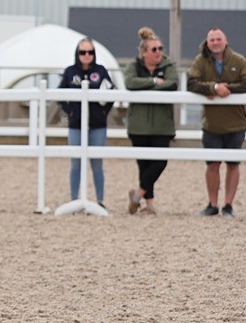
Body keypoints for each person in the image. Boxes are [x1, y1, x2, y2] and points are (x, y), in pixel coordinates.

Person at [186, 27, 246, 217]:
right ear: (207, 42)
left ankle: (228, 204)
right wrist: (213, 87)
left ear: (226, 41)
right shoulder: (200, 61)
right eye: (212, 40)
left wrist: (226, 89)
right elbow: (191, 83)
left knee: (233, 164)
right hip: (211, 124)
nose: (215, 43)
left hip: (236, 123)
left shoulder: (239, 61)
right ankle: (212, 204)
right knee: (212, 164)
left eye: (218, 39)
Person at [123, 27, 177, 215]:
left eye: (160, 48)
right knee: (144, 165)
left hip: (162, 126)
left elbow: (172, 83)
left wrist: (144, 87)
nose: (158, 52)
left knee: (159, 163)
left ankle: (137, 196)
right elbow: (130, 83)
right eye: (154, 49)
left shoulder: (168, 66)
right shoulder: (133, 67)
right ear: (143, 52)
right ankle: (150, 204)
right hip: (139, 125)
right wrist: (154, 82)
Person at [59, 37, 113, 206]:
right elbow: (59, 94)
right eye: (83, 52)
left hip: (97, 125)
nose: (87, 55)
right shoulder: (70, 72)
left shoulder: (101, 71)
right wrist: (70, 111)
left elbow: (112, 92)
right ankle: (74, 200)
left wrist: (104, 112)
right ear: (78, 53)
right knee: (76, 163)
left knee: (97, 163)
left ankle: (100, 200)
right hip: (76, 125)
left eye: (90, 52)